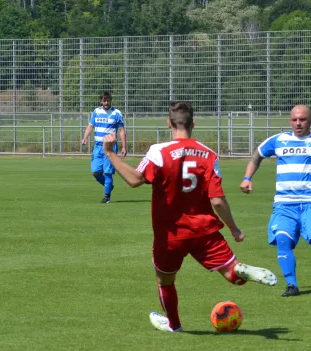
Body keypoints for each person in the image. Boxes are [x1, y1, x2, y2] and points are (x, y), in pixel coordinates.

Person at [103, 101, 277, 332]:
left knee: (165, 281)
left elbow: (135, 180)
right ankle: (242, 269)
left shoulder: (159, 151)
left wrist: (110, 153)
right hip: (204, 231)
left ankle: (174, 325)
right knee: (234, 275)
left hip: (170, 235)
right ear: (193, 123)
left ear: (169, 123)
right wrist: (234, 228)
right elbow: (217, 200)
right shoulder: (210, 154)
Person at [240, 105, 311, 297]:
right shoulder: (278, 140)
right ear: (290, 121)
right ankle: (292, 285)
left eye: (303, 119)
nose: (298, 123)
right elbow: (257, 156)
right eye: (295, 119)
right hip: (284, 203)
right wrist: (247, 178)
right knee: (283, 239)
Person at [81, 91, 127, 203]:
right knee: (95, 172)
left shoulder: (116, 113)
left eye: (108, 100)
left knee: (107, 172)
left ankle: (107, 196)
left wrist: (124, 147)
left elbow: (121, 130)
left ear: (110, 100)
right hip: (97, 146)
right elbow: (90, 126)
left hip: (110, 147)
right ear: (101, 101)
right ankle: (108, 186)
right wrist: (85, 137)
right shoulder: (96, 112)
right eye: (104, 100)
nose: (106, 102)